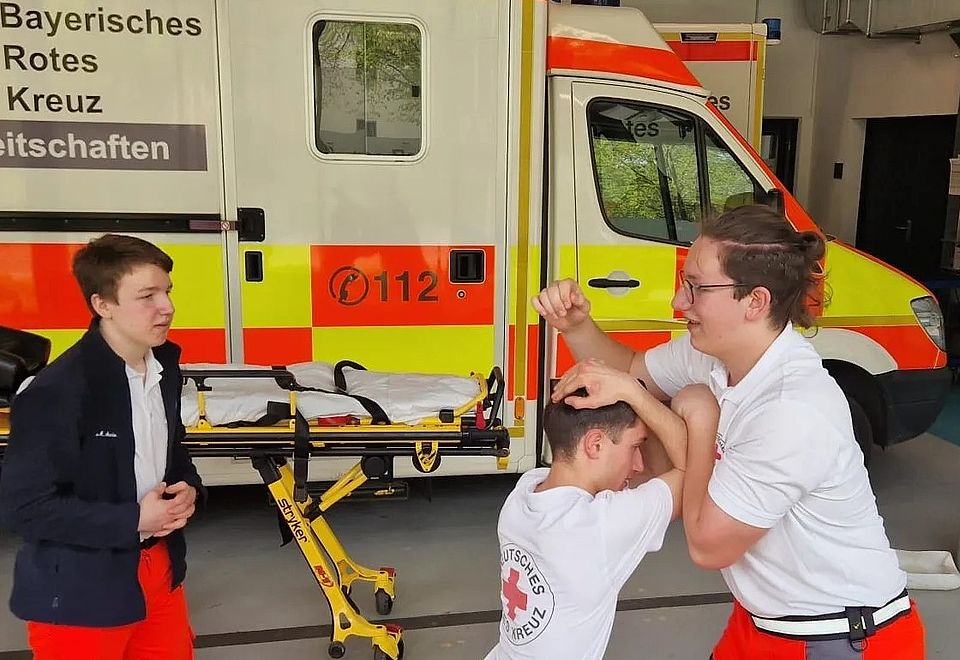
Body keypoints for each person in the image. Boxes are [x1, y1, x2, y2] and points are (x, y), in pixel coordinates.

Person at [538, 205, 924, 659]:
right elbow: (631, 371)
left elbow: (708, 546)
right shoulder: (711, 354)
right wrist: (577, 326)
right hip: (764, 618)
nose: (679, 302)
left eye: (697, 288)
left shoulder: (792, 409)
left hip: (838, 636)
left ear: (755, 301)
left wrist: (698, 418)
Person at [0, 234, 205, 660]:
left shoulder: (163, 366)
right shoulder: (57, 391)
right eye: (147, 296)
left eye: (167, 291)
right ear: (103, 305)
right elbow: (26, 508)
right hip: (80, 588)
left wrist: (188, 487)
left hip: (160, 570)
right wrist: (135, 518)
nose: (167, 307)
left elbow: (172, 449)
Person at [484, 373, 711, 660]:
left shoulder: (525, 491)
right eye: (635, 447)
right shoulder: (599, 525)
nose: (639, 464)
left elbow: (652, 477)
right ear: (595, 445)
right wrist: (637, 394)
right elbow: (693, 471)